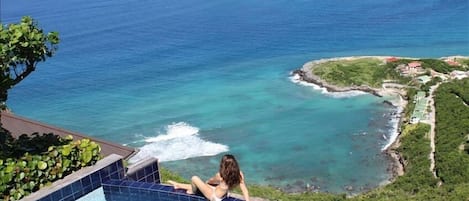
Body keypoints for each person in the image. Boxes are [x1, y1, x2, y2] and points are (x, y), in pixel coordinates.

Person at [168, 154, 250, 201]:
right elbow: (245, 190)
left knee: (194, 178)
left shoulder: (220, 175)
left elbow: (211, 181)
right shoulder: (239, 174)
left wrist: (206, 183)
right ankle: (178, 185)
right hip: (222, 194)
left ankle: (192, 191)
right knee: (201, 186)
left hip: (214, 196)